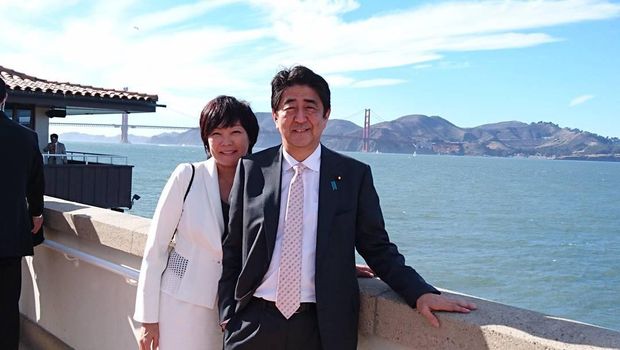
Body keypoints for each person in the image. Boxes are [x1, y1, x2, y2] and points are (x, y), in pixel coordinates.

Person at [218, 65, 477, 350]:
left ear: (326, 115)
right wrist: (229, 314)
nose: (301, 118)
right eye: (290, 107)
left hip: (322, 329)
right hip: (254, 324)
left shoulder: (354, 176)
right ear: (276, 115)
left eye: (311, 107)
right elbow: (233, 249)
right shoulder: (252, 170)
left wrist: (420, 293)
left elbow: (378, 248)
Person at [133, 96, 259, 350]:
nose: (226, 142)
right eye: (216, 133)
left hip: (240, 308)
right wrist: (148, 320)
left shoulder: (263, 183)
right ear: (206, 139)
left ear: (250, 137)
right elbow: (155, 249)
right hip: (182, 303)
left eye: (235, 132)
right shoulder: (187, 176)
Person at [0, 77, 45, 349]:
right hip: (9, 238)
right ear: (4, 100)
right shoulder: (26, 138)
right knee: (6, 308)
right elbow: (36, 184)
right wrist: (37, 214)